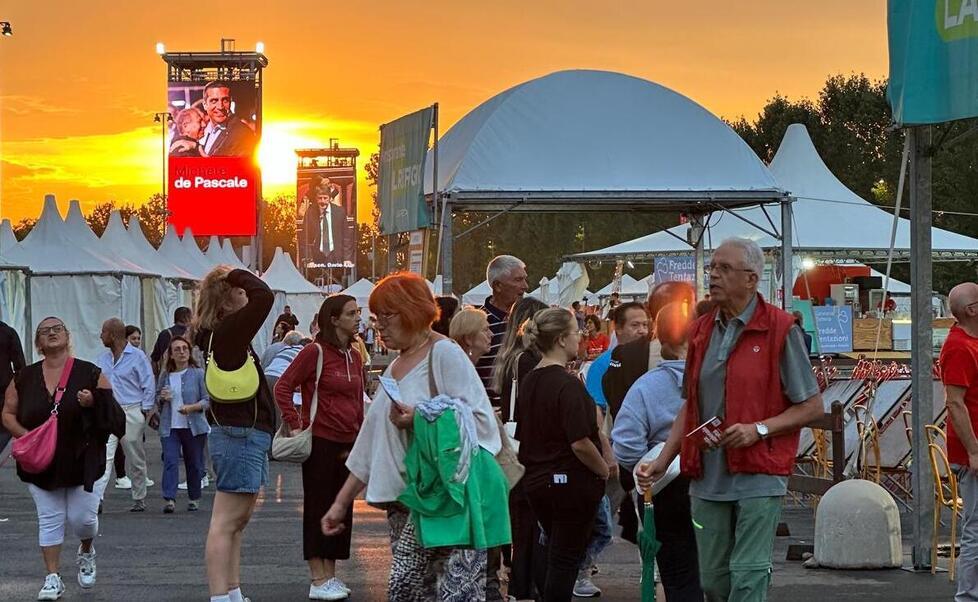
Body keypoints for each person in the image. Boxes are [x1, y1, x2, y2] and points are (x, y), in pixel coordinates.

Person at [637, 237, 823, 602]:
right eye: (712, 268)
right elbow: (690, 405)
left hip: (759, 473)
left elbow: (812, 406)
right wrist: (663, 460)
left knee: (748, 576)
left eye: (724, 269)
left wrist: (759, 429)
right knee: (712, 581)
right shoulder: (701, 330)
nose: (713, 276)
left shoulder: (781, 329)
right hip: (707, 475)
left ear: (751, 279)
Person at [321, 272, 506, 601]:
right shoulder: (396, 366)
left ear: (411, 311)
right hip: (408, 500)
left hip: (444, 497)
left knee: (421, 588)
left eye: (386, 316)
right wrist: (339, 504)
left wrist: (418, 418)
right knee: (419, 591)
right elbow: (371, 443)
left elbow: (479, 424)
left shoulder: (444, 353)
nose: (379, 325)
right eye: (375, 317)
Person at [2, 317, 124, 601]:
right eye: (45, 331)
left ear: (68, 337)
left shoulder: (90, 372)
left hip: (82, 460)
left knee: (83, 519)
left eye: (57, 329)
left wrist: (93, 402)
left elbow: (115, 416)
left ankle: (86, 549)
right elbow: (7, 413)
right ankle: (52, 577)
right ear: (38, 343)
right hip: (40, 463)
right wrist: (27, 436)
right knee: (49, 518)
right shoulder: (24, 377)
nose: (52, 333)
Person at [194, 265, 276, 602]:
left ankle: (232, 590)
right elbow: (264, 296)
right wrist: (234, 274)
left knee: (236, 523)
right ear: (226, 302)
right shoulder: (229, 332)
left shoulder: (223, 335)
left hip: (243, 434)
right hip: (238, 434)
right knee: (226, 522)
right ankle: (220, 595)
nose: (247, 296)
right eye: (241, 293)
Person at [516, 308, 609, 601]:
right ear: (560, 339)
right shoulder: (566, 384)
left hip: (537, 480)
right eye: (575, 332)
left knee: (552, 549)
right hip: (569, 481)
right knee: (565, 558)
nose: (580, 337)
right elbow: (579, 441)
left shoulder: (530, 380)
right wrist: (603, 469)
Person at [612, 302, 704, 601]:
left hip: (662, 487)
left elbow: (625, 442)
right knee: (716, 567)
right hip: (711, 482)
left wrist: (646, 462)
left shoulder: (646, 386)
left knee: (676, 571)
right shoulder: (717, 381)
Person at [275, 295, 364, 601]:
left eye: (358, 312)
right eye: (351, 313)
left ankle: (330, 576)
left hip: (349, 441)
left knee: (342, 508)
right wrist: (294, 423)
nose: (358, 318)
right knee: (318, 506)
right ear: (334, 319)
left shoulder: (354, 355)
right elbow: (283, 386)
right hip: (322, 440)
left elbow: (357, 399)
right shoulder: (314, 351)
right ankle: (318, 578)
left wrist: (362, 433)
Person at [603, 280, 695, 543]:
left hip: (648, 472)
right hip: (699, 477)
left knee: (662, 548)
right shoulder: (715, 366)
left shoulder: (628, 356)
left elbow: (616, 403)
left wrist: (638, 467)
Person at [577, 302, 649, 596]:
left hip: (648, 452)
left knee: (649, 517)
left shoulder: (653, 357)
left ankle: (651, 572)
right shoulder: (604, 364)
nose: (642, 330)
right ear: (618, 329)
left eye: (645, 324)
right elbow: (596, 410)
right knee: (599, 515)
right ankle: (582, 570)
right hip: (615, 451)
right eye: (635, 325)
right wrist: (606, 453)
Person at [492, 295, 548, 601]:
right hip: (529, 449)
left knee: (521, 522)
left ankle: (520, 584)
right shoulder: (527, 361)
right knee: (529, 523)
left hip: (516, 446)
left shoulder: (509, 357)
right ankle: (526, 586)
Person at [93, 318, 156, 512]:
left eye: (103, 332)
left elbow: (148, 382)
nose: (100, 336)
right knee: (104, 456)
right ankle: (96, 499)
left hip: (131, 409)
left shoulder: (137, 357)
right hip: (109, 410)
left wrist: (146, 409)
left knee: (135, 458)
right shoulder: (102, 359)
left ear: (112, 335)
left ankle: (139, 497)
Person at [940, 282, 978, 601]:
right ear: (971, 310)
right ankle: (968, 596)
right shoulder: (960, 347)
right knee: (975, 529)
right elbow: (954, 402)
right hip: (972, 452)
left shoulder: (969, 343)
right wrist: (974, 451)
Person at [155, 335, 210, 513]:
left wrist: (192, 407)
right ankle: (169, 499)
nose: (182, 352)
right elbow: (157, 397)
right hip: (170, 426)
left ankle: (194, 497)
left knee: (194, 463)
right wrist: (162, 398)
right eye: (177, 349)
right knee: (170, 460)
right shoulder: (166, 375)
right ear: (171, 355)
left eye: (185, 348)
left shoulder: (198, 374)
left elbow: (208, 400)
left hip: (193, 426)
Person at [477, 255, 529, 405]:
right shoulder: (479, 324)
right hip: (493, 412)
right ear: (498, 286)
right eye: (518, 280)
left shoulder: (529, 319)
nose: (525, 286)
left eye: (525, 279)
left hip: (525, 411)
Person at [199, 81, 258, 157]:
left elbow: (244, 164)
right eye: (214, 101)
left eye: (225, 100)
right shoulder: (204, 128)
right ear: (205, 105)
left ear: (230, 102)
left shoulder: (243, 133)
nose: (220, 107)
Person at [302, 183, 353, 267]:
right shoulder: (310, 213)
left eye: (325, 198)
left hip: (336, 256)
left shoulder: (340, 212)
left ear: (329, 198)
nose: (323, 201)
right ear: (316, 198)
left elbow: (346, 237)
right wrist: (309, 260)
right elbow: (305, 238)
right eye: (320, 198)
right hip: (316, 258)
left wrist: (347, 259)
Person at [0, 316, 26, 455]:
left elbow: (20, 368)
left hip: (3, 393)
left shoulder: (7, 333)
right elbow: (20, 366)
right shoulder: (8, 332)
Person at [150, 307, 193, 374]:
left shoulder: (165, 334)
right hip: (190, 373)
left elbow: (154, 359)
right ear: (187, 318)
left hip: (168, 372)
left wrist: (156, 376)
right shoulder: (193, 335)